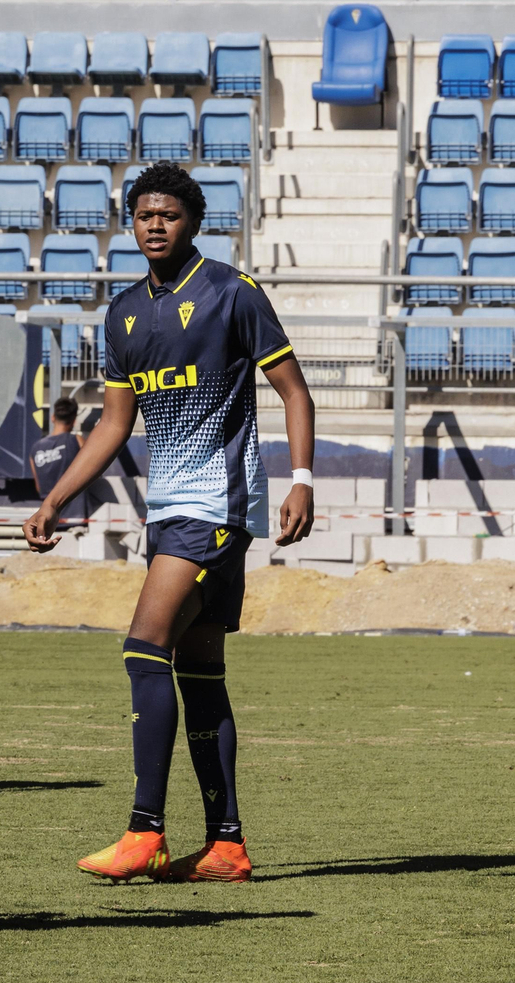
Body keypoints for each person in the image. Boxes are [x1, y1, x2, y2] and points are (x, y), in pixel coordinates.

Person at [24, 162, 315, 884]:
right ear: (131, 223)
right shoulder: (123, 314)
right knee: (200, 674)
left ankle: (144, 831)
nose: (156, 225)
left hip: (215, 506)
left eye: (170, 215)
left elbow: (294, 392)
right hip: (171, 511)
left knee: (142, 647)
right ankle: (226, 845)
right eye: (144, 215)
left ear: (193, 221)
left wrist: (302, 480)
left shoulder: (232, 293)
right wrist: (56, 499)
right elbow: (114, 425)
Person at [30, 397, 88, 526]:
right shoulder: (76, 441)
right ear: (74, 421)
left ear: (53, 417)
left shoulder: (36, 448)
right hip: (76, 518)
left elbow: (39, 488)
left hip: (48, 519)